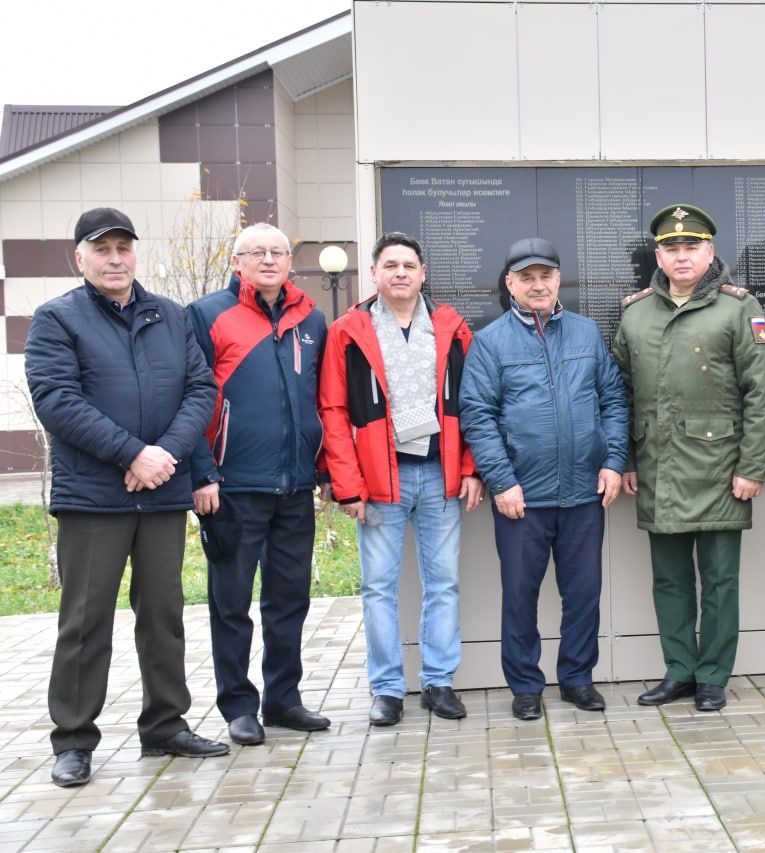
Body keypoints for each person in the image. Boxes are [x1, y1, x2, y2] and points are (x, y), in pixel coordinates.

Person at [24, 207, 229, 787]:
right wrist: (131, 454)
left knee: (163, 615)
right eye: (102, 249)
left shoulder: (169, 316)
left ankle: (165, 726)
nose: (115, 259)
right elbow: (57, 401)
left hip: (161, 493)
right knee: (86, 622)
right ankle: (73, 740)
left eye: (124, 248)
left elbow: (200, 388)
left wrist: (163, 454)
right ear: (80, 258)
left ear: (135, 254)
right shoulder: (57, 319)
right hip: (94, 498)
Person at [612, 204, 765, 712]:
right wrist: (628, 460)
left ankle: (712, 676)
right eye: (671, 248)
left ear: (710, 251)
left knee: (721, 582)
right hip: (659, 469)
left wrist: (752, 467)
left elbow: (761, 393)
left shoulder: (738, 308)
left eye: (691, 247)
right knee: (670, 580)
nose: (681, 256)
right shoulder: (635, 312)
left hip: (721, 470)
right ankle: (679, 670)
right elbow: (619, 390)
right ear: (657, 256)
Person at [459, 238, 628, 721]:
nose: (538, 285)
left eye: (546, 276)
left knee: (584, 593)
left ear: (558, 280)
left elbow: (612, 401)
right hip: (522, 498)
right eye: (526, 277)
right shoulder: (490, 342)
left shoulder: (587, 334)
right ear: (510, 284)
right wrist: (502, 480)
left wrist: (613, 461)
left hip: (583, 493)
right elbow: (478, 415)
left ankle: (577, 677)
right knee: (519, 595)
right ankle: (525, 685)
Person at [319, 232, 483, 726]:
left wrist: (471, 469)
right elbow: (333, 408)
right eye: (390, 265)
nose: (400, 273)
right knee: (377, 588)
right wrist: (347, 485)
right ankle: (387, 689)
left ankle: (438, 683)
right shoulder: (348, 331)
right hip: (378, 481)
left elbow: (473, 403)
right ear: (375, 274)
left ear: (423, 273)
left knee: (444, 584)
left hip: (439, 474)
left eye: (409, 265)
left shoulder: (451, 327)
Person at [186, 223, 331, 746]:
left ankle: (283, 699)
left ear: (291, 261)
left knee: (288, 599)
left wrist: (324, 470)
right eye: (257, 252)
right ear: (236, 261)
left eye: (278, 252)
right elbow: (191, 399)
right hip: (231, 487)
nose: (269, 260)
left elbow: (321, 398)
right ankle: (238, 706)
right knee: (231, 602)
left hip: (294, 486)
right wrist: (201, 471)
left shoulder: (310, 317)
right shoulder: (206, 315)